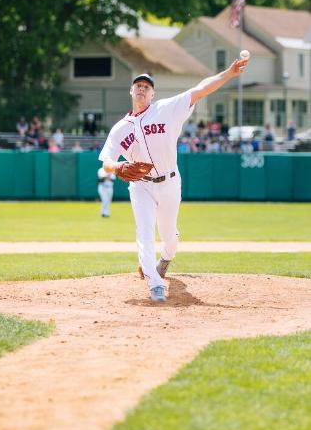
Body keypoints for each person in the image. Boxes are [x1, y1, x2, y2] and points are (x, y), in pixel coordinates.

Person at [99, 58, 248, 302]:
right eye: (138, 85)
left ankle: (165, 259)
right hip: (141, 185)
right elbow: (106, 161)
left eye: (147, 86)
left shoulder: (167, 109)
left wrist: (228, 74)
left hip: (169, 182)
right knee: (144, 234)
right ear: (131, 90)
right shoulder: (119, 128)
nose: (142, 88)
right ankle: (154, 284)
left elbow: (201, 89)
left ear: (153, 93)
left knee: (168, 236)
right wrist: (117, 166)